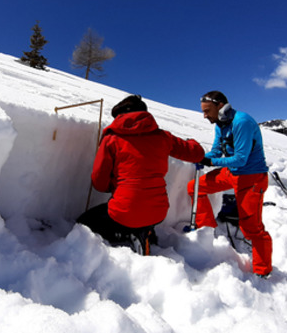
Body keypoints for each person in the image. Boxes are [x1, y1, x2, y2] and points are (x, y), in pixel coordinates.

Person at [77, 95, 205, 255]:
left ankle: (126, 233)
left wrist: (111, 187)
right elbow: (197, 153)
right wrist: (192, 141)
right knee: (138, 213)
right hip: (158, 211)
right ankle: (144, 231)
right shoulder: (162, 137)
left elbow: (98, 179)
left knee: (84, 223)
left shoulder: (112, 138)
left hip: (125, 210)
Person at [187, 91, 272, 277]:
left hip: (251, 177)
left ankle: (262, 271)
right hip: (231, 173)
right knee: (194, 187)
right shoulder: (220, 124)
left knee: (252, 228)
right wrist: (200, 157)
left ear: (220, 106)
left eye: (207, 111)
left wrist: (212, 162)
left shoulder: (242, 122)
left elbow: (241, 159)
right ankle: (207, 231)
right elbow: (216, 152)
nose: (204, 116)